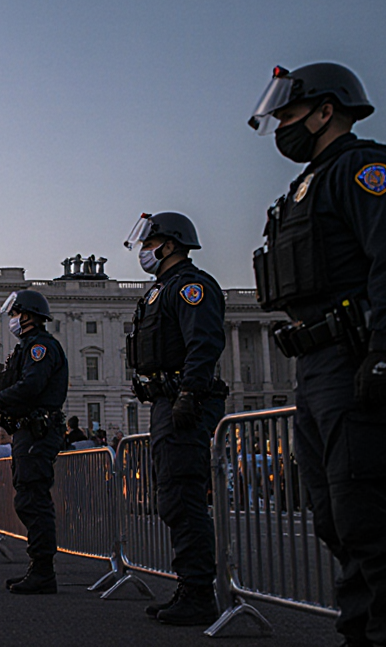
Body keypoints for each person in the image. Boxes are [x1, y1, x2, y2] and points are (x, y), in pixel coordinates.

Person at [246, 62, 386, 647]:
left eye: (289, 113)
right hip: (319, 363)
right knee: (333, 516)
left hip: (358, 357)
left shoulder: (367, 169)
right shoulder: (311, 183)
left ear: (326, 110)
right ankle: (362, 633)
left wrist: (384, 350)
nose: (282, 126)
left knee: (366, 515)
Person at [124, 211, 227, 624]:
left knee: (183, 497)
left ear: (169, 245)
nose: (144, 253)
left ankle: (199, 593)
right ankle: (190, 586)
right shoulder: (161, 290)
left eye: (149, 245)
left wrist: (188, 393)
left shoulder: (190, 287)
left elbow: (203, 344)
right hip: (166, 401)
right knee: (173, 497)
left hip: (185, 401)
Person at [0, 290, 68, 595]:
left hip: (38, 431)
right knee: (28, 499)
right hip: (28, 431)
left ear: (29, 316)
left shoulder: (41, 347)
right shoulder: (26, 347)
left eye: (15, 314)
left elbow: (31, 386)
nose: (12, 320)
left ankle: (44, 571)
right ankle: (39, 568)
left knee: (34, 500)